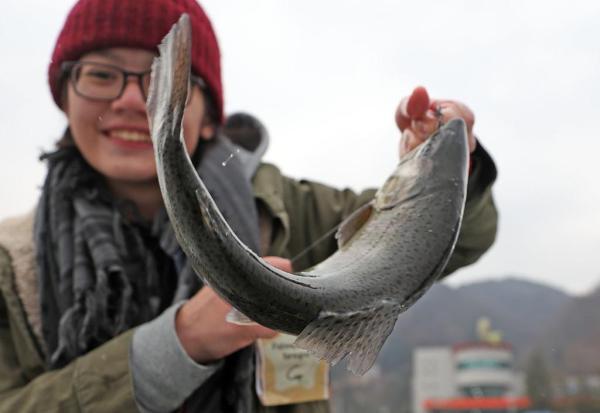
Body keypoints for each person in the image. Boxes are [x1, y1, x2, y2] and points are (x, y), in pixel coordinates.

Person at [0, 0, 498, 412]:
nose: (132, 100)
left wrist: (457, 174)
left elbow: (456, 242)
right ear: (64, 98)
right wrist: (177, 344)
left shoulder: (291, 211)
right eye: (102, 74)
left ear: (212, 115)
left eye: (157, 81)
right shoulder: (9, 266)